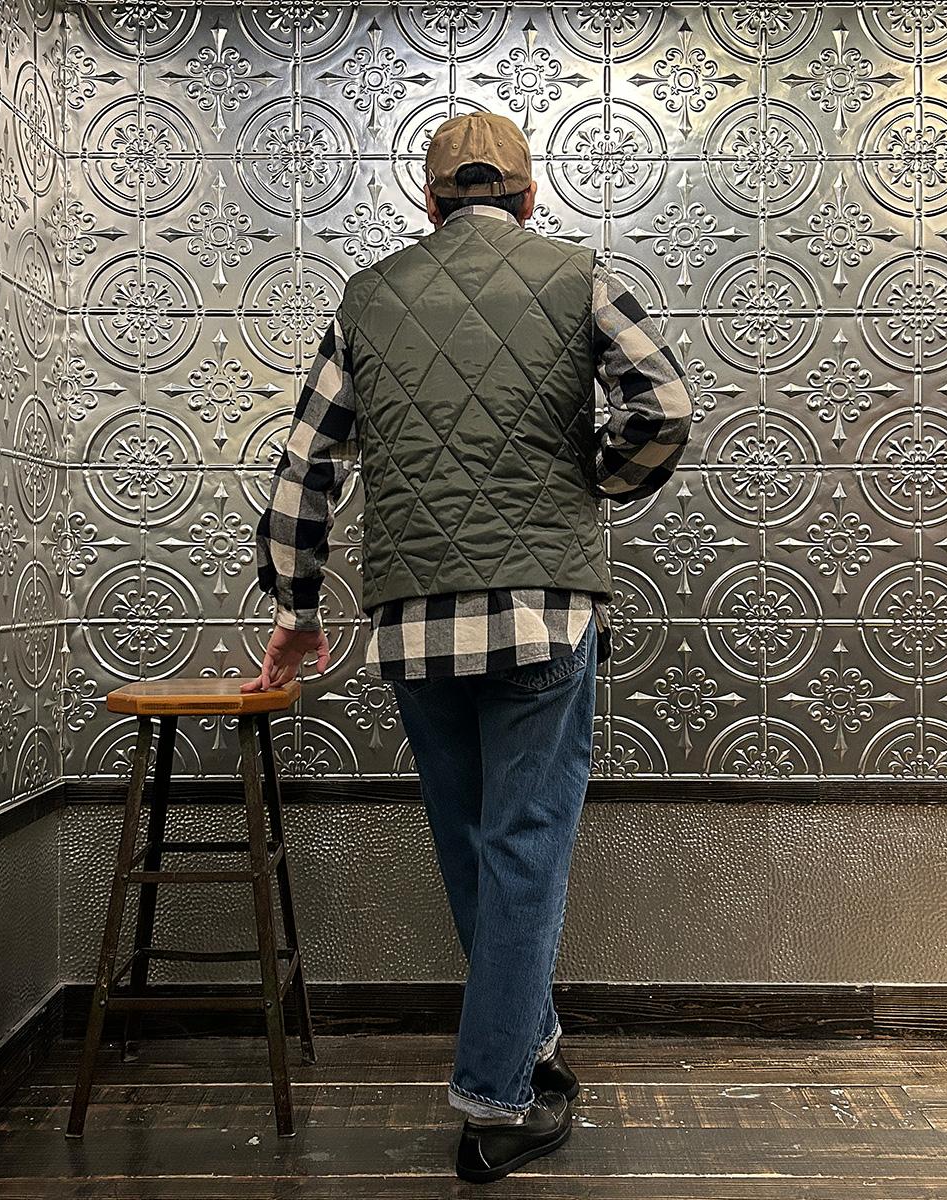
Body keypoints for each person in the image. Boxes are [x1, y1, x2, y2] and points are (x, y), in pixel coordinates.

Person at [242, 110, 693, 1183]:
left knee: (470, 844)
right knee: (525, 843)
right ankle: (495, 1098)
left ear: (429, 201)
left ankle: (528, 1046)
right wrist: (596, 479)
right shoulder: (579, 276)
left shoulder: (366, 298)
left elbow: (303, 476)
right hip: (545, 611)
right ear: (531, 199)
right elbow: (665, 408)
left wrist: (297, 612)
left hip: (414, 620)